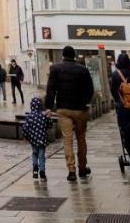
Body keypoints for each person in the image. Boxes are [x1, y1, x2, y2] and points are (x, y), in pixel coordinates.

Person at [44, 45, 95, 181]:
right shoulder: (83, 70)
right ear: (74, 56)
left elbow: (51, 88)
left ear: (63, 56)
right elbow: (90, 89)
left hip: (63, 109)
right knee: (81, 138)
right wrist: (86, 102)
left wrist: (49, 106)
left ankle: (71, 170)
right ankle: (83, 168)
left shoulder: (55, 69)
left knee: (67, 140)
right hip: (80, 109)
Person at [23, 96, 52, 180]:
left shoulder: (29, 116)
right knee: (41, 156)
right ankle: (42, 172)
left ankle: (35, 169)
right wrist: (49, 117)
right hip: (42, 139)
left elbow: (25, 127)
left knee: (35, 153)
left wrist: (25, 136)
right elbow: (49, 125)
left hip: (33, 140)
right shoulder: (43, 116)